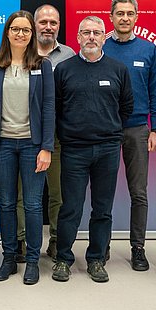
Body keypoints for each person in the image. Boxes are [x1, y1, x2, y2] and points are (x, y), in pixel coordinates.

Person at [51, 16, 133, 284]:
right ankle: (63, 259)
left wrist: (109, 131)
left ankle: (96, 259)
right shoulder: (63, 69)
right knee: (71, 208)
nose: (91, 37)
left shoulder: (118, 69)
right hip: (74, 150)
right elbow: (56, 108)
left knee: (102, 209)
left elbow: (126, 107)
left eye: (97, 32)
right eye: (86, 32)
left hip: (108, 150)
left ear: (103, 37)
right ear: (77, 37)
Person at [0, 10, 55, 285]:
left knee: (34, 205)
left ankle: (33, 261)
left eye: (26, 30)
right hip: (2, 145)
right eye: (16, 29)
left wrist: (46, 147)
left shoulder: (42, 65)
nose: (21, 34)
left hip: (32, 145)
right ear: (8, 32)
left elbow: (49, 107)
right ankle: (9, 258)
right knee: (6, 203)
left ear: (32, 34)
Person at [103, 0, 156, 271]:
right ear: (111, 17)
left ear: (136, 17)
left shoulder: (148, 50)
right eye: (120, 13)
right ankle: (101, 246)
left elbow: (155, 92)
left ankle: (138, 247)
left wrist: (154, 128)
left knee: (139, 192)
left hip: (138, 129)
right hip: (106, 129)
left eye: (129, 13)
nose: (125, 18)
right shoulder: (102, 47)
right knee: (105, 191)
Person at [15, 4, 75, 262]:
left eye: (53, 22)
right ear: (34, 25)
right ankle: (19, 242)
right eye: (43, 22)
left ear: (59, 26)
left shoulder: (70, 55)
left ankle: (56, 241)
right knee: (20, 195)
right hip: (22, 135)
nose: (48, 27)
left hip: (57, 137)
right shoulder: (20, 53)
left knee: (57, 194)